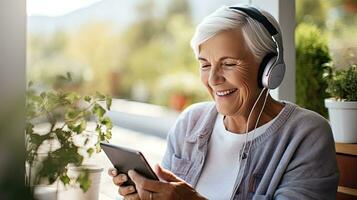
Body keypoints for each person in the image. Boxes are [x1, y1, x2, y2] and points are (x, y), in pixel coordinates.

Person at [108, 4, 339, 200]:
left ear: (269, 69)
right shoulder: (191, 121)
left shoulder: (306, 135)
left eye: (228, 63)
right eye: (205, 64)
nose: (213, 79)